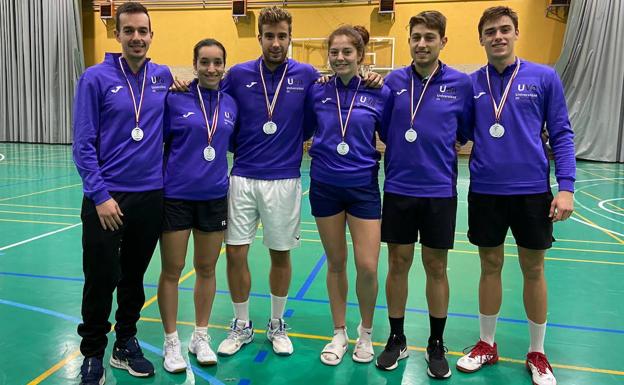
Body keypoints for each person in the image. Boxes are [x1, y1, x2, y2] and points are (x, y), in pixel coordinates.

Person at [209, 7, 383, 357]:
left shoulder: (307, 77)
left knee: (280, 255)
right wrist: (181, 85)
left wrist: (372, 77)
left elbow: (310, 123)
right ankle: (241, 324)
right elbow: (211, 100)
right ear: (259, 37)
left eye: (282, 36)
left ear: (291, 37)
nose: (276, 43)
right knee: (236, 253)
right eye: (269, 36)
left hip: (285, 180)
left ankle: (276, 324)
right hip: (242, 176)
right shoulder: (238, 74)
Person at [456, 7, 575, 385]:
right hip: (486, 192)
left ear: (516, 32)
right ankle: (487, 344)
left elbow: (561, 133)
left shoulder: (544, 77)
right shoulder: (470, 84)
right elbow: (456, 131)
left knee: (533, 269)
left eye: (505, 29)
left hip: (531, 193)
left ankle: (537, 353)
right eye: (490, 31)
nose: (498, 36)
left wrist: (567, 187)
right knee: (489, 267)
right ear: (481, 38)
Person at [72, 2, 173, 384]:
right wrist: (99, 195)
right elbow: (83, 143)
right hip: (107, 199)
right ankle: (93, 352)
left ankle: (125, 342)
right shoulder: (95, 78)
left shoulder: (162, 76)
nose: (137, 38)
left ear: (151, 35)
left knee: (134, 277)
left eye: (143, 31)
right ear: (117, 34)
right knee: (100, 277)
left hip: (150, 196)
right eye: (129, 31)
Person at [374, 11, 473, 378]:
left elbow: (462, 133)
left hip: (439, 192)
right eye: (416, 36)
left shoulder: (460, 85)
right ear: (409, 39)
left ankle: (435, 343)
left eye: (430, 37)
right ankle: (397, 338)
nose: (421, 43)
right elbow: (383, 128)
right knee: (397, 264)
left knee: (436, 267)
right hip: (398, 188)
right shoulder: (392, 83)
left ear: (443, 41)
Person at [304, 25, 392, 366]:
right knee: (336, 263)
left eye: (347, 52)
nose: (340, 58)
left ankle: (366, 332)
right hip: (325, 186)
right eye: (335, 52)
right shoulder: (317, 92)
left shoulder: (378, 92)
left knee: (367, 266)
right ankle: (339, 332)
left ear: (361, 56)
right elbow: (304, 127)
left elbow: (392, 135)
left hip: (362, 188)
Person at [157, 39, 237, 373]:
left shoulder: (231, 103)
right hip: (176, 196)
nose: (211, 69)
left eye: (217, 62)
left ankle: (200, 336)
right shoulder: (174, 100)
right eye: (205, 62)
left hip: (214, 197)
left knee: (206, 269)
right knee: (172, 270)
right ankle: (171, 341)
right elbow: (157, 142)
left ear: (224, 65)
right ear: (195, 64)